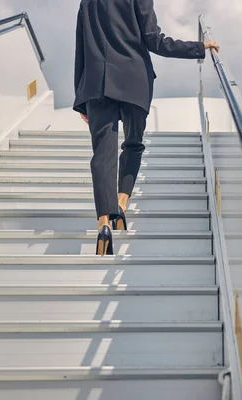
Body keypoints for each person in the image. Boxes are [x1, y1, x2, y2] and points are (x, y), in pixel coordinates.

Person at [73, 0, 220, 256]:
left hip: (97, 84)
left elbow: (81, 49)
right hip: (134, 80)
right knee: (132, 145)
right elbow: (154, 40)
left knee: (103, 154)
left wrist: (81, 98)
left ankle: (104, 224)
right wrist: (198, 47)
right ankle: (121, 204)